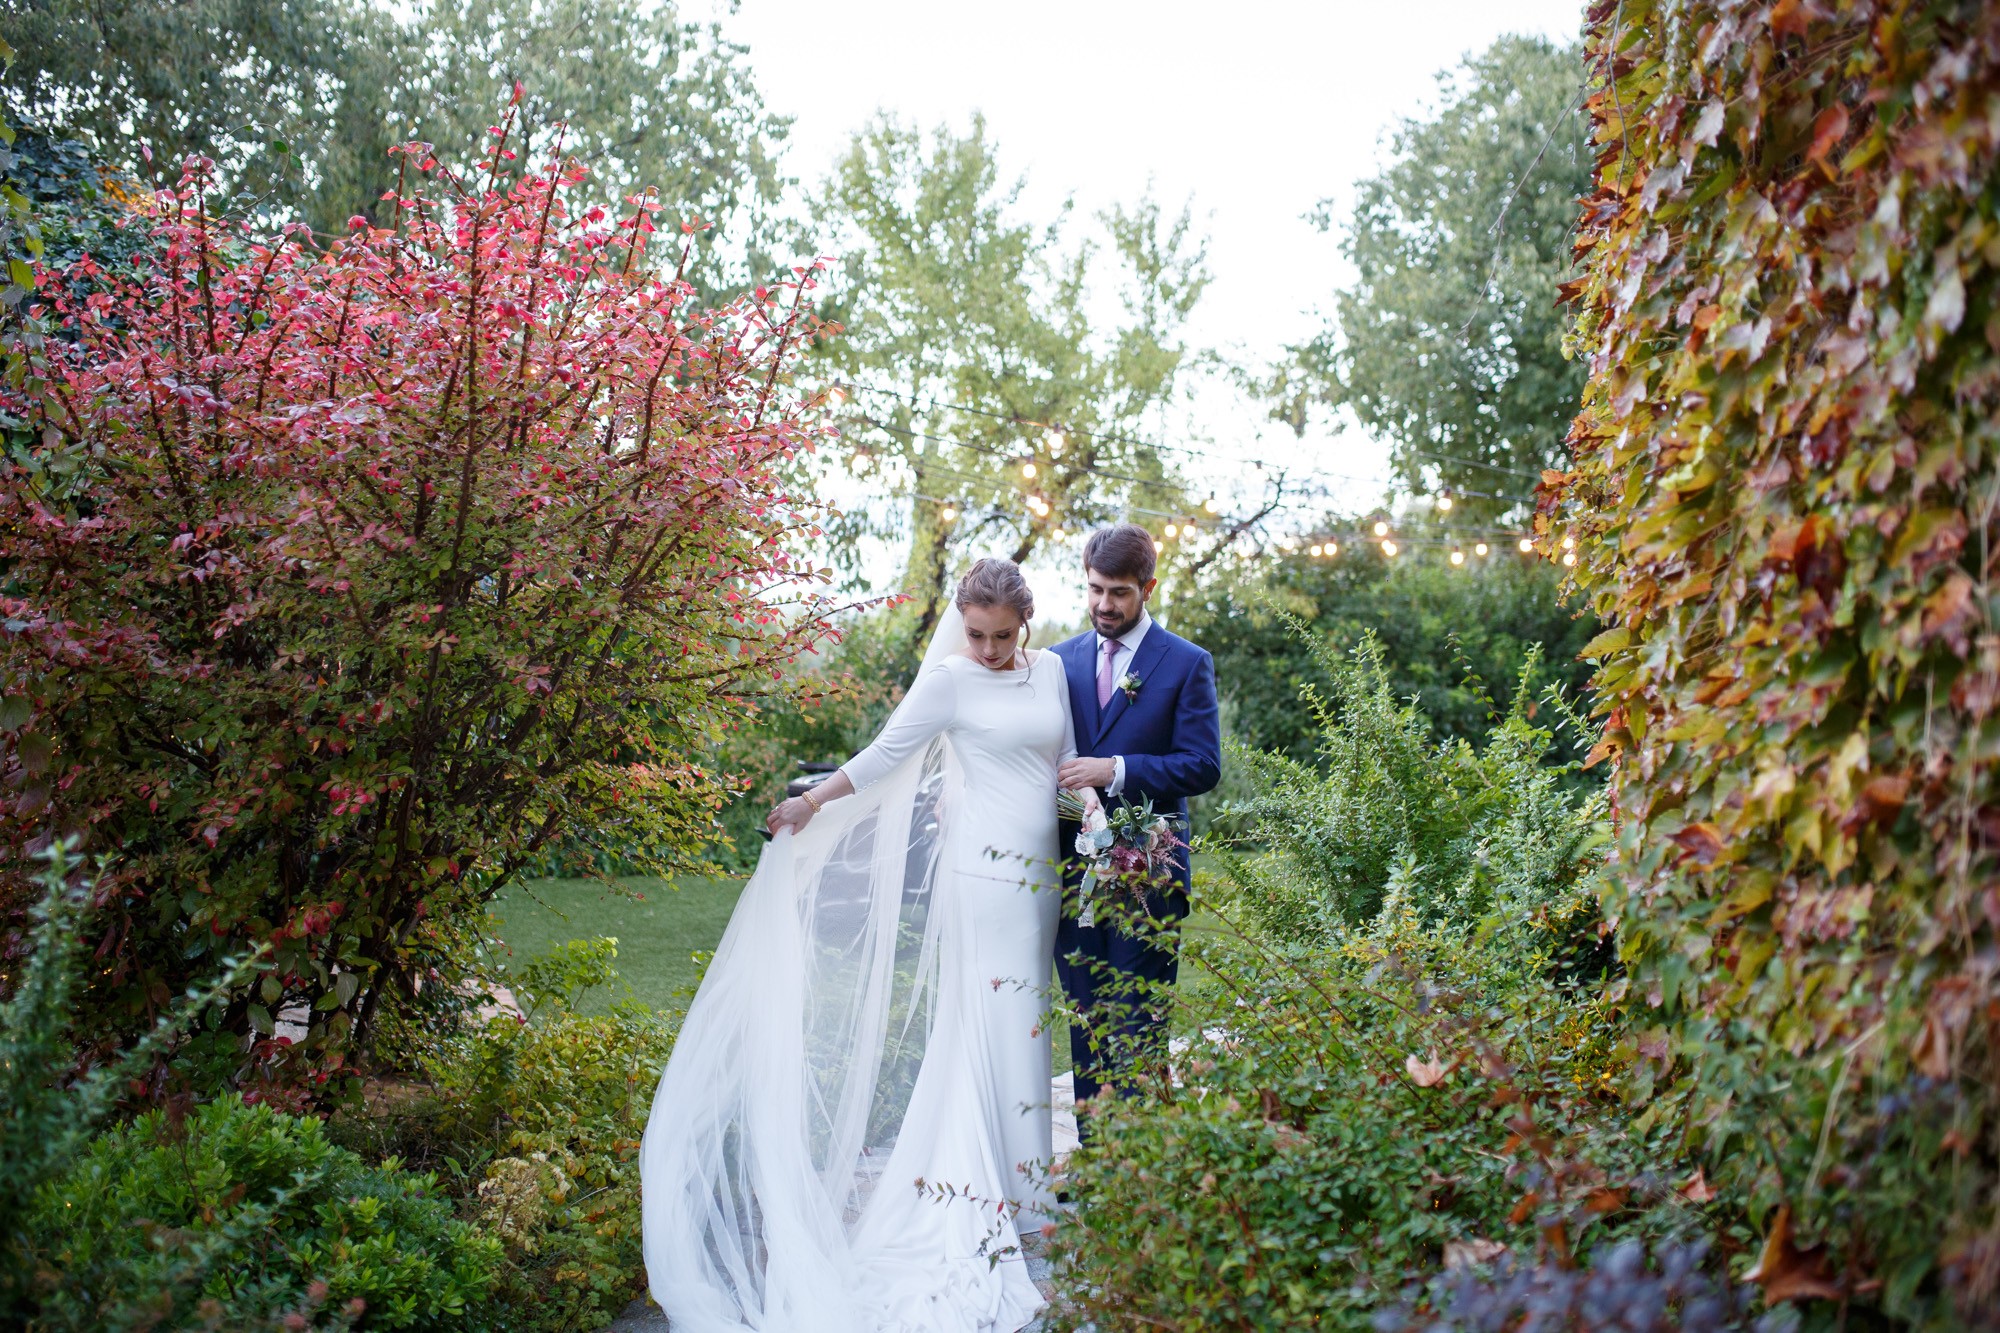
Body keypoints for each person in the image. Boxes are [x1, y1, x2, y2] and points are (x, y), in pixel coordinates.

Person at [639, 557, 1097, 1333]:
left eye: (1001, 636)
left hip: (1039, 876)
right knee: (988, 1014)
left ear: (1026, 624)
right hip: (980, 871)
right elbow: (888, 753)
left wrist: (1088, 802)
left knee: (1026, 1018)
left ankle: (1022, 1188)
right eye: (977, 634)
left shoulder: (1050, 671)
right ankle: (993, 1192)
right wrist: (811, 802)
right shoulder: (951, 679)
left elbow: (1061, 760)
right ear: (963, 623)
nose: (987, 649)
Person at [1050, 524, 1221, 1119]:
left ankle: (1146, 1168)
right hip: (1073, 875)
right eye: (1095, 589)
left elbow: (1202, 765)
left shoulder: (1186, 663)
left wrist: (1114, 769)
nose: (1104, 605)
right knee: (1087, 1019)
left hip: (1151, 875)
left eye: (1119, 593)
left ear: (1147, 587)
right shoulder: (1058, 662)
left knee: (1138, 1022)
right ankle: (1097, 1168)